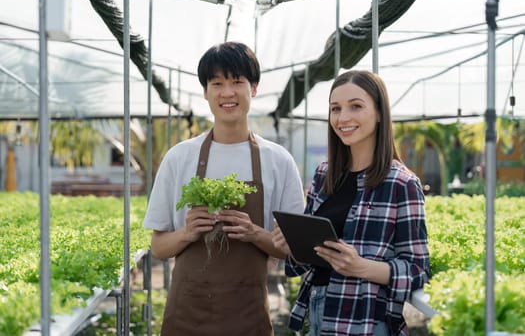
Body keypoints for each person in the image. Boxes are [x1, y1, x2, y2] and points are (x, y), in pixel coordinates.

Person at [142, 41, 305, 336]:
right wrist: (187, 233)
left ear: (253, 88)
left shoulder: (278, 161)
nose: (227, 92)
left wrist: (255, 233)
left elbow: (293, 250)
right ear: (205, 92)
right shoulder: (180, 157)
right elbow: (158, 246)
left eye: (237, 82)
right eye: (217, 83)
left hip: (248, 315)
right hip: (187, 315)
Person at [272, 70, 430, 336]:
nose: (343, 117)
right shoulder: (324, 174)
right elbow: (306, 262)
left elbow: (418, 271)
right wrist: (293, 246)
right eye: (336, 109)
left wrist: (362, 267)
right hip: (317, 316)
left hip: (366, 323)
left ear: (379, 113)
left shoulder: (401, 184)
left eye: (355, 106)